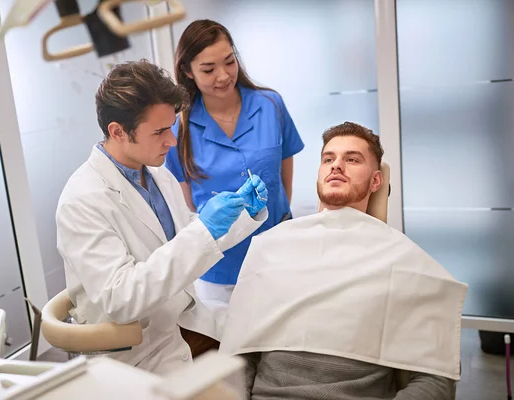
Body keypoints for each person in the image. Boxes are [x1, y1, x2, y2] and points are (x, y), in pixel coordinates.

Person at [219, 122, 468, 399]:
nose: (336, 165)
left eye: (352, 159)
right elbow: (239, 358)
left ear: (376, 181)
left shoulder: (404, 261)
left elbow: (435, 377)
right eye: (328, 159)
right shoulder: (271, 247)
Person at [55, 60, 270, 375]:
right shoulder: (82, 201)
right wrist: (204, 230)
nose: (171, 141)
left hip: (183, 325)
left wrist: (241, 215)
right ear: (117, 131)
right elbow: (122, 298)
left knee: (269, 347)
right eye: (159, 131)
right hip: (137, 355)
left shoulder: (156, 174)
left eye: (171, 126)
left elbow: (189, 244)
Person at [165, 19, 305, 310]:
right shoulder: (178, 129)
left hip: (279, 255)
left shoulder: (270, 105)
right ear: (188, 72)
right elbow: (187, 204)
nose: (223, 75)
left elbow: (284, 182)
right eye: (208, 69)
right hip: (219, 270)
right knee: (227, 350)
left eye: (229, 62)